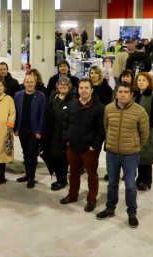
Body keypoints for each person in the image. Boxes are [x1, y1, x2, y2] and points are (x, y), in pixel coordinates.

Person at [96, 82, 149, 228]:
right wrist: (112, 143)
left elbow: (144, 134)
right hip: (112, 153)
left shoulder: (140, 111)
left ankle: (132, 213)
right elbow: (106, 127)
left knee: (130, 186)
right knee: (112, 184)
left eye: (126, 92)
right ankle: (109, 209)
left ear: (131, 94)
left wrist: (135, 146)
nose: (123, 94)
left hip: (130, 154)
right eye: (120, 91)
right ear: (116, 93)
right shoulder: (109, 109)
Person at [60, 78, 106, 212]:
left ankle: (91, 200)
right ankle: (72, 195)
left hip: (89, 149)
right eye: (81, 88)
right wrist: (67, 139)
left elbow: (101, 130)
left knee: (92, 175)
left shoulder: (99, 108)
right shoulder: (72, 105)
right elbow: (65, 124)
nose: (83, 90)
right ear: (78, 90)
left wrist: (94, 145)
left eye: (86, 88)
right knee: (73, 173)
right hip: (73, 146)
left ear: (92, 90)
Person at [42, 76, 74, 191]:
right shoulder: (53, 96)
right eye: (60, 84)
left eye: (65, 84)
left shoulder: (72, 100)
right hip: (52, 134)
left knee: (62, 160)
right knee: (53, 158)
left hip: (63, 136)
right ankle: (59, 179)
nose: (62, 86)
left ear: (69, 86)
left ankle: (62, 180)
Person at [14, 74, 46, 189]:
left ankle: (31, 177)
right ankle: (27, 174)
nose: (29, 84)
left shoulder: (41, 96)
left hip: (34, 130)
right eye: (27, 82)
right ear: (24, 83)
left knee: (32, 153)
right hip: (22, 129)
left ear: (35, 83)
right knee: (25, 152)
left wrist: (39, 130)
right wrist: (16, 128)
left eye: (31, 82)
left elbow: (43, 115)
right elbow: (16, 114)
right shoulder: (18, 95)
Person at [133, 72, 153, 191]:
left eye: (144, 80)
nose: (141, 82)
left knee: (146, 156)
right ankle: (140, 179)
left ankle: (146, 181)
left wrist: (146, 125)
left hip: (148, 131)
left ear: (149, 82)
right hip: (135, 131)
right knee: (138, 156)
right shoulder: (134, 96)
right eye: (139, 80)